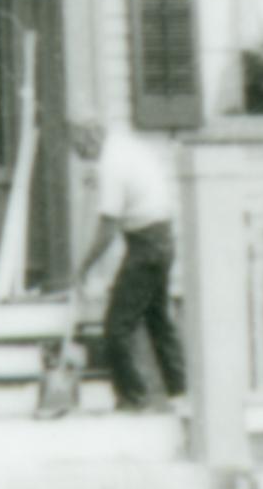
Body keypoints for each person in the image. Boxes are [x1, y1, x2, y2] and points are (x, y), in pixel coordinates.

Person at [67, 120, 184, 413]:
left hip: (145, 245)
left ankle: (134, 398)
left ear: (89, 138)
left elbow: (107, 228)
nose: (80, 156)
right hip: (163, 237)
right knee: (159, 320)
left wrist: (82, 268)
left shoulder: (111, 165)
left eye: (79, 148)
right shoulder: (124, 147)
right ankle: (181, 392)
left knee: (117, 326)